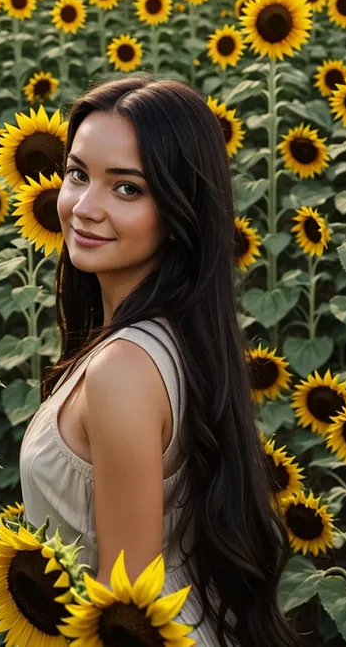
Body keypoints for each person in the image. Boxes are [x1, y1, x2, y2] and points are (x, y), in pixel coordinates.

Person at [20, 75, 303, 647]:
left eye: (127, 189)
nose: (84, 208)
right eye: (78, 175)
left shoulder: (122, 369)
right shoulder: (179, 336)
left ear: (179, 210)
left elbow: (126, 611)